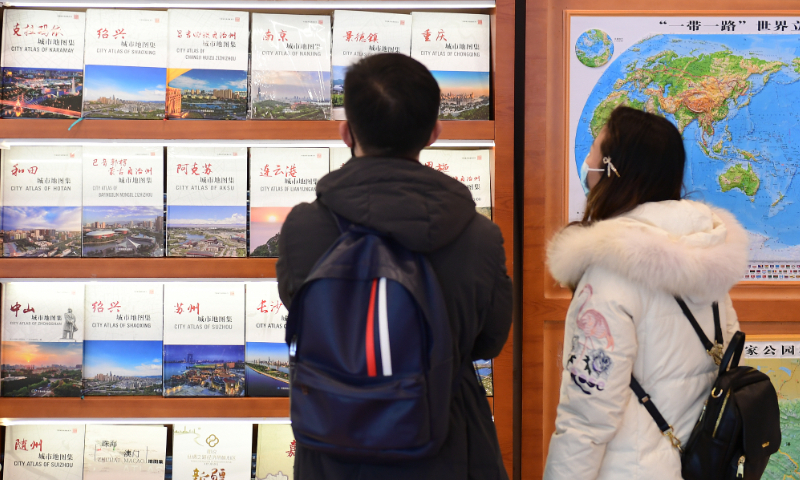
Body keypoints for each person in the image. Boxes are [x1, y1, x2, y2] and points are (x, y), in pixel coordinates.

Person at [276, 53, 512, 479]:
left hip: (333, 444)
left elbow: (305, 316)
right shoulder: (479, 236)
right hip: (447, 445)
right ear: (434, 133)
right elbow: (489, 342)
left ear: (347, 131)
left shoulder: (304, 226)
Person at [543, 106, 748, 480]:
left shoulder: (610, 272)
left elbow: (587, 416)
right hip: (699, 464)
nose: (587, 159)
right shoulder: (707, 252)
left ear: (611, 168)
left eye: (594, 148)